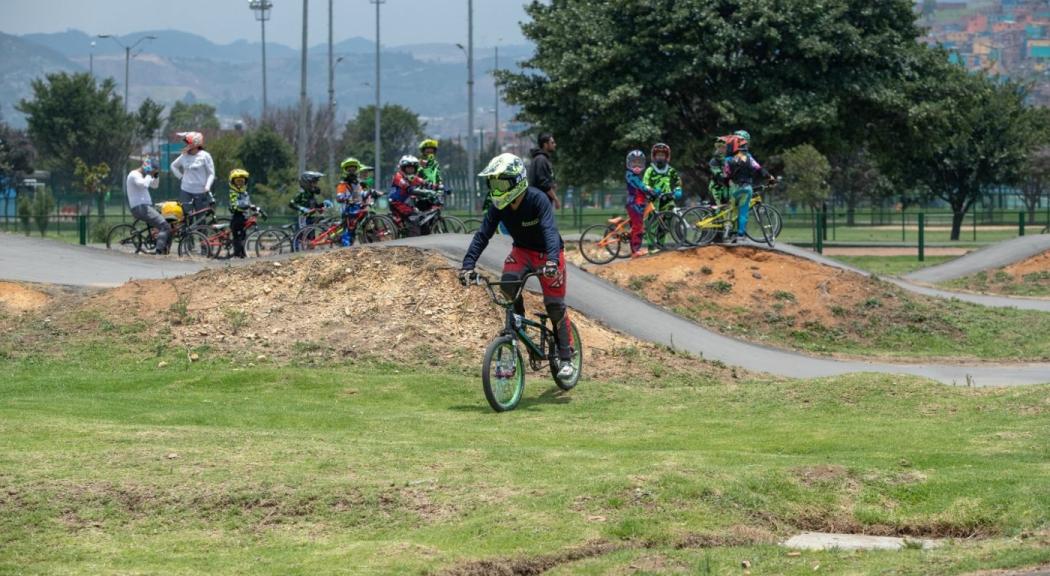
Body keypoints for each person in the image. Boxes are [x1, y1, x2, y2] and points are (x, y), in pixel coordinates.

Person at [459, 153, 575, 381]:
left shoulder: (537, 199)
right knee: (508, 285)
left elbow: (550, 232)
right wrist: (467, 265)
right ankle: (517, 322)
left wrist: (552, 260)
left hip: (548, 254)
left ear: (517, 181)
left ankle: (566, 357)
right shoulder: (497, 207)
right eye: (493, 184)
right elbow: (482, 235)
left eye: (501, 183)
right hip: (521, 251)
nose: (496, 189)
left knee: (554, 305)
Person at [722, 130, 773, 243]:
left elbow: (725, 176)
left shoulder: (728, 160)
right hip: (746, 189)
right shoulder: (748, 158)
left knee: (730, 210)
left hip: (733, 189)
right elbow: (759, 170)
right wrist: (770, 177)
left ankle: (727, 230)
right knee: (743, 212)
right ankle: (740, 234)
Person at [126, 157, 170, 255]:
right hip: (140, 207)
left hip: (145, 207)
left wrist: (156, 176)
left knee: (168, 222)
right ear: (148, 167)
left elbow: (155, 186)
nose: (153, 172)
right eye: (153, 169)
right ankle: (159, 252)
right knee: (165, 226)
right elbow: (143, 185)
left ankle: (164, 248)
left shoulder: (144, 176)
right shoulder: (134, 175)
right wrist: (150, 175)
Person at [169, 131, 216, 224]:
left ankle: (202, 238)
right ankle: (187, 238)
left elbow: (211, 173)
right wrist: (181, 177)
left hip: (201, 192)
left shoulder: (205, 156)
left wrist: (207, 186)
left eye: (187, 142)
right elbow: (173, 166)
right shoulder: (184, 155)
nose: (185, 145)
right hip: (185, 191)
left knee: (201, 219)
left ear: (196, 143)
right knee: (186, 218)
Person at [625, 150, 656, 258]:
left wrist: (649, 191)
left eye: (639, 164)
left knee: (636, 225)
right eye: (634, 164)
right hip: (634, 204)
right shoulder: (630, 175)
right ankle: (635, 251)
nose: (637, 166)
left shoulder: (636, 175)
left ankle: (634, 245)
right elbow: (638, 185)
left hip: (638, 203)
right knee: (638, 227)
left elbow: (641, 187)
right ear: (629, 163)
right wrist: (647, 188)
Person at [388, 155, 427, 236]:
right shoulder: (398, 177)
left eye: (413, 168)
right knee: (414, 217)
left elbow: (426, 183)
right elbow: (409, 189)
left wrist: (440, 187)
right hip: (396, 203)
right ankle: (413, 241)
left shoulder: (413, 178)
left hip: (406, 203)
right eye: (408, 168)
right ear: (403, 168)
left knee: (422, 217)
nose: (411, 170)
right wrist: (425, 192)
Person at [642, 142, 683, 210]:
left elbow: (677, 180)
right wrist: (651, 190)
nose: (660, 157)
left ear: (666, 157)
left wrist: (678, 189)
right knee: (654, 218)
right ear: (654, 156)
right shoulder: (650, 170)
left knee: (670, 213)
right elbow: (644, 183)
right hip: (654, 198)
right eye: (658, 155)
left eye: (662, 155)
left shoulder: (670, 170)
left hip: (668, 198)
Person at [336, 157, 365, 246]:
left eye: (353, 169)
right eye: (349, 169)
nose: (352, 171)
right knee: (349, 231)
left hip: (356, 208)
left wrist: (371, 193)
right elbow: (339, 197)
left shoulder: (357, 183)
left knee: (353, 230)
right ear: (345, 170)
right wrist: (347, 199)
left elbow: (361, 194)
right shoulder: (342, 183)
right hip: (347, 210)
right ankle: (345, 247)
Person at [528, 132, 559, 208]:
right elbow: (543, 183)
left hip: (543, 202)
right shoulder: (541, 160)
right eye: (552, 142)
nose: (555, 144)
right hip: (540, 203)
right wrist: (555, 199)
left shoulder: (542, 159)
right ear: (545, 145)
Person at [228, 168, 251, 258]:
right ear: (233, 182)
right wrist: (243, 206)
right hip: (236, 217)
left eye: (242, 182)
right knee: (237, 237)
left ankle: (243, 253)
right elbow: (234, 205)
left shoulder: (245, 193)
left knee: (243, 236)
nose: (240, 184)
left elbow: (248, 202)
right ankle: (237, 254)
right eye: (238, 182)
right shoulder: (233, 193)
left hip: (244, 216)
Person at [708, 137, 730, 205]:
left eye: (724, 147)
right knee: (718, 211)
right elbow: (718, 175)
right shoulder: (714, 161)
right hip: (716, 188)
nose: (723, 149)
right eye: (720, 147)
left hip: (725, 188)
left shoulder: (726, 159)